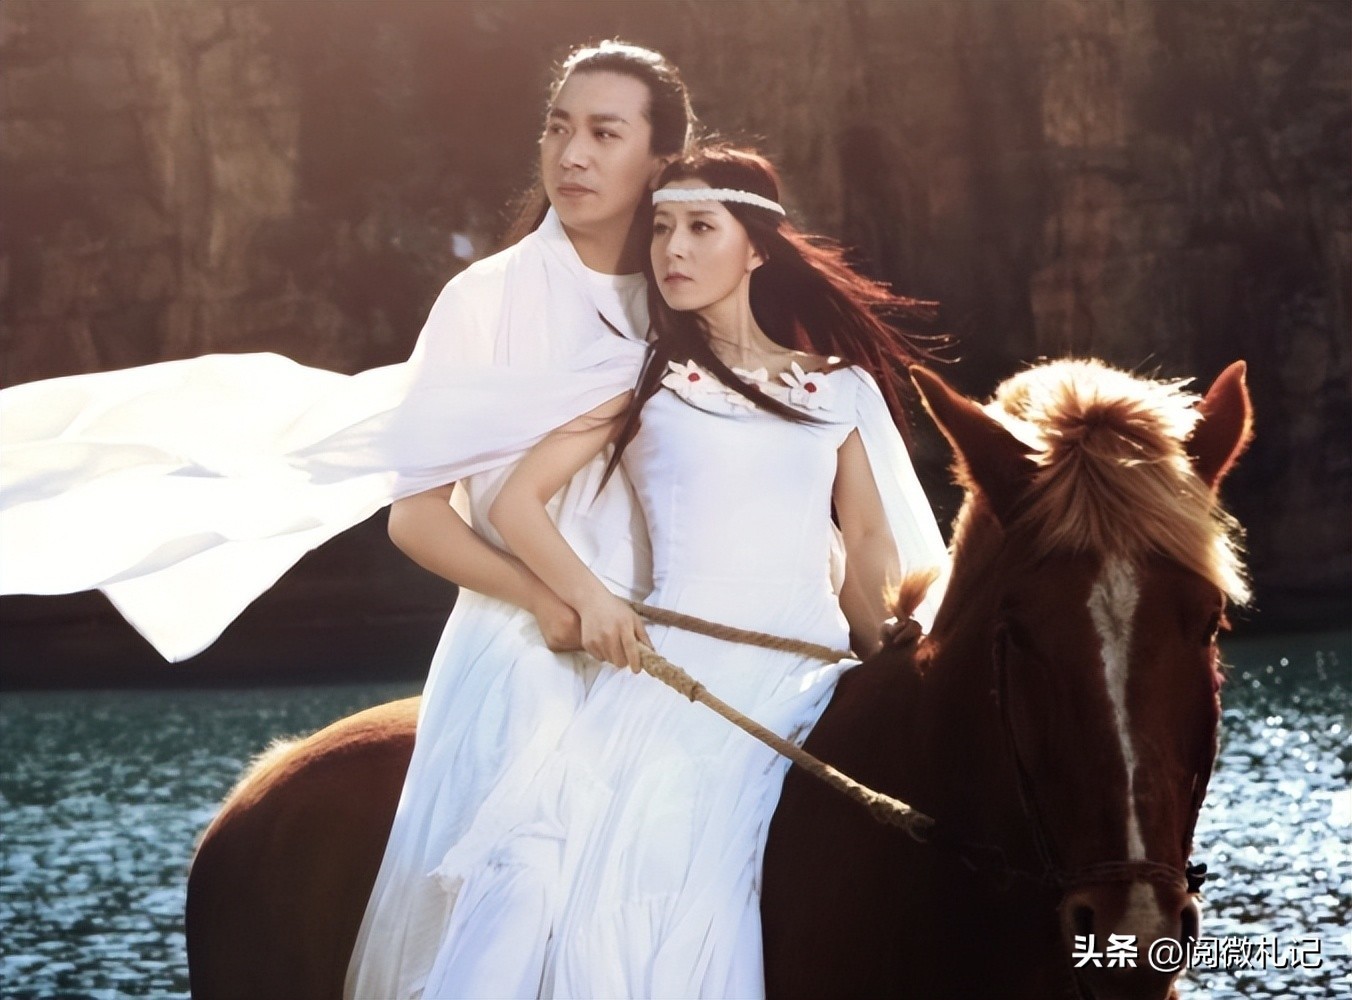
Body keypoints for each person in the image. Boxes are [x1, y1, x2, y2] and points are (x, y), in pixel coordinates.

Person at [407, 146, 948, 999]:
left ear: (757, 247)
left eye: (701, 227)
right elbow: (515, 503)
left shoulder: (840, 390)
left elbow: (869, 545)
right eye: (661, 228)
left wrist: (893, 653)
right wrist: (589, 601)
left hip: (811, 679)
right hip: (679, 688)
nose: (673, 249)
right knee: (627, 890)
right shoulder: (644, 376)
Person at [342, 41, 699, 999]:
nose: (571, 154)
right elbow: (415, 520)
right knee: (528, 882)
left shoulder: (684, 299)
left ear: (659, 162)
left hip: (657, 646)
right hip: (519, 645)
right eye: (558, 128)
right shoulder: (484, 297)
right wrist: (545, 599)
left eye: (604, 134)